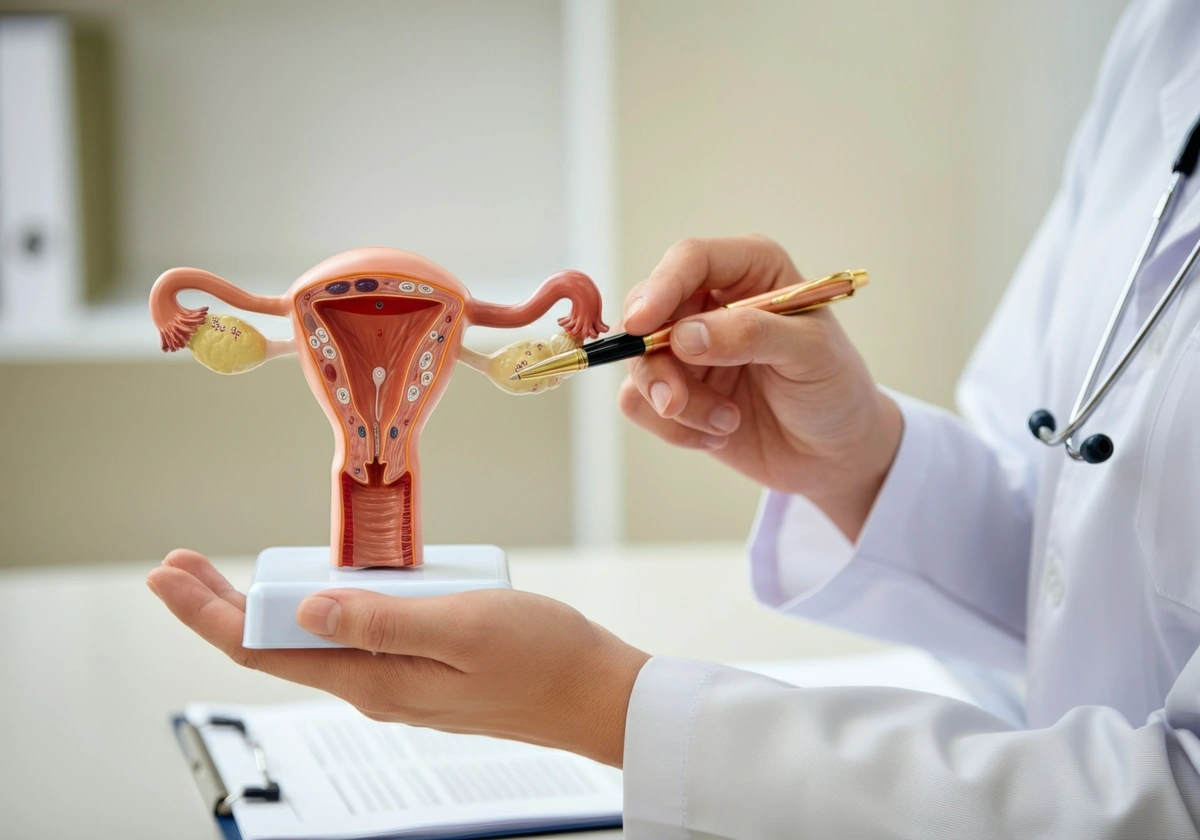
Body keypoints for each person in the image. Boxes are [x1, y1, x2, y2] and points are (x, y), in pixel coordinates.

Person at [147, 0, 1200, 835]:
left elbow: (1173, 801)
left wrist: (607, 707)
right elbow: (1079, 531)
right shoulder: (1161, 41)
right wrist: (862, 462)